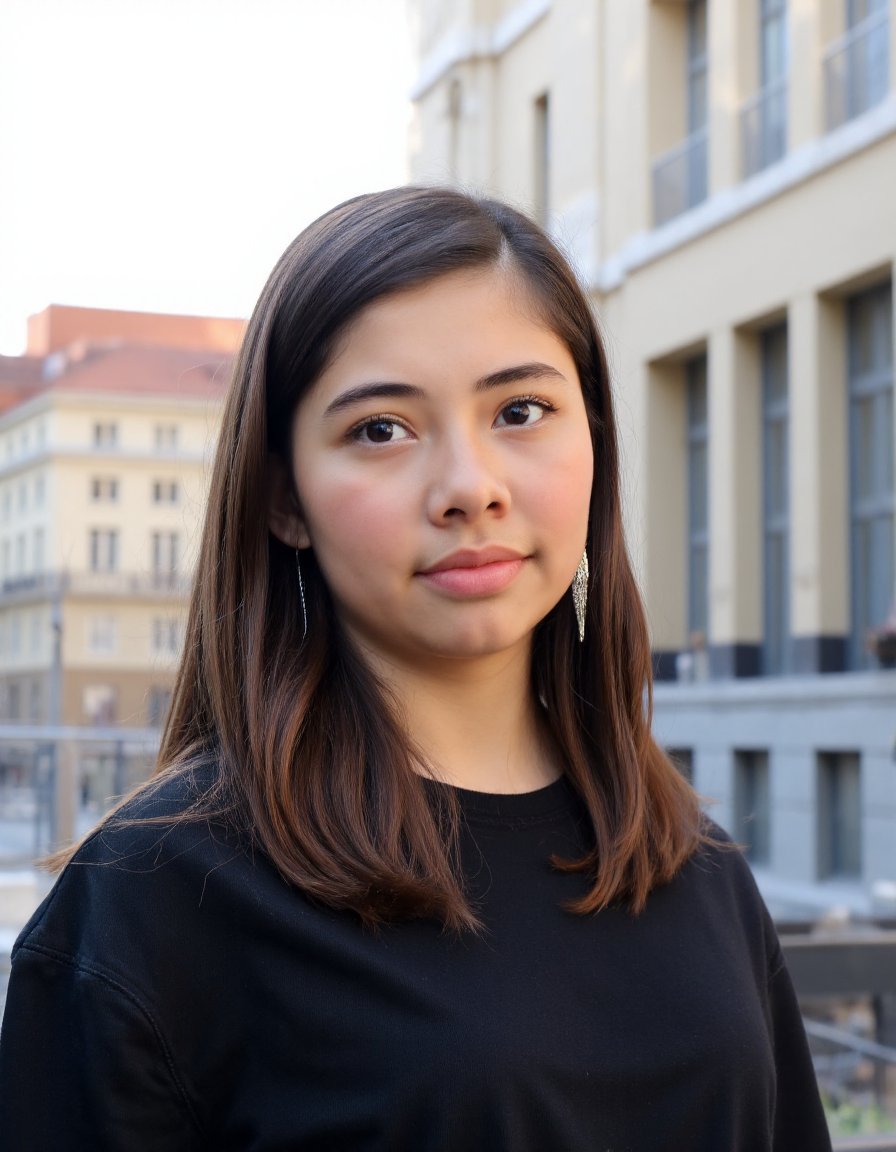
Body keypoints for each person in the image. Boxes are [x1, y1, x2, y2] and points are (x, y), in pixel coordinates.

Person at [0, 187, 832, 1151]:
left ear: (594, 442)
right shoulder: (155, 902)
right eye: (382, 430)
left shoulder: (695, 865)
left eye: (521, 410)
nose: (470, 488)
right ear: (285, 499)